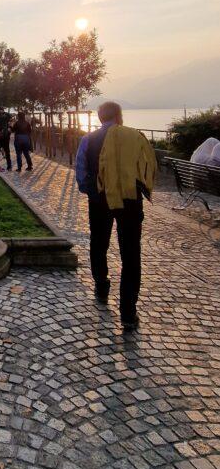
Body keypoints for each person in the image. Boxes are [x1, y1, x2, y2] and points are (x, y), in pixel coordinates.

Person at [76, 101, 156, 331]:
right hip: (130, 202)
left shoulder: (88, 139)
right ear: (120, 116)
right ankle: (128, 311)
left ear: (100, 117)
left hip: (99, 199)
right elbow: (147, 168)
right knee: (131, 253)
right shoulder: (135, 136)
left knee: (98, 242)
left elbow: (81, 174)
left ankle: (102, 286)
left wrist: (92, 190)